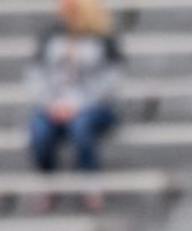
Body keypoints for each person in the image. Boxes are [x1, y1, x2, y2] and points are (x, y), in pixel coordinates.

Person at [27, 0, 122, 208]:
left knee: (81, 126)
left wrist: (78, 105)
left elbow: (110, 83)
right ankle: (48, 184)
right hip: (55, 106)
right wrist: (52, 104)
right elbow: (36, 76)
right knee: (39, 130)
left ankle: (91, 184)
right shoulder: (50, 36)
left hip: (93, 107)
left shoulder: (103, 40)